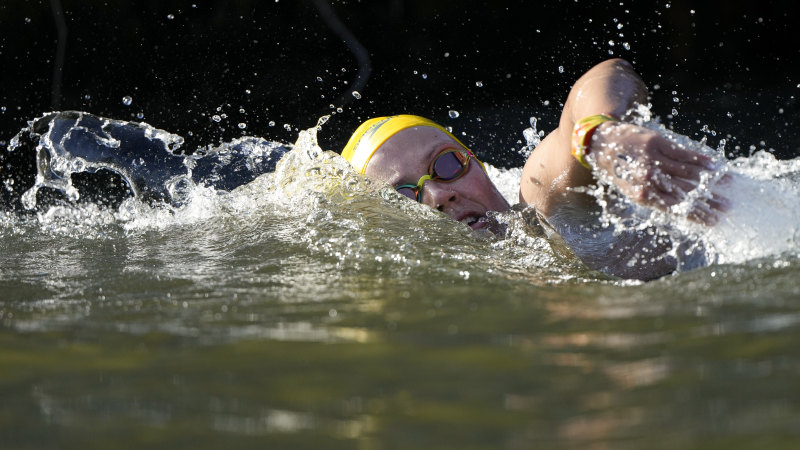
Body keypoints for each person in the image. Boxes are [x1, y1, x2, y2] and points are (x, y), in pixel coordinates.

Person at [341, 59, 728, 280]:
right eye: (405, 195)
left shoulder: (545, 203)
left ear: (476, 161)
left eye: (445, 165)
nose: (440, 195)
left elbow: (604, 77)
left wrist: (601, 134)